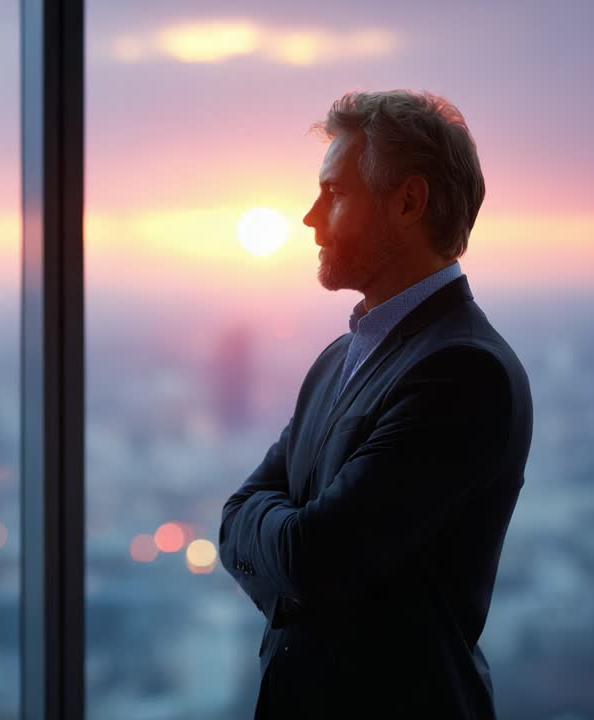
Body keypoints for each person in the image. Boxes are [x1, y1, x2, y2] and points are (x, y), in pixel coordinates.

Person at [218, 90, 533, 718]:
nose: (309, 217)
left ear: (409, 202)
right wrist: (283, 540)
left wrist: (276, 540)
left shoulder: (465, 372)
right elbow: (234, 516)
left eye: (334, 193)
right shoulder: (339, 359)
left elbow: (313, 559)